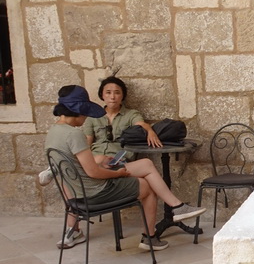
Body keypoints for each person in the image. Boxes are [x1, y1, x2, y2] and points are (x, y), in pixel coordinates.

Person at [44, 85, 206, 251]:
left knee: (146, 165)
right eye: (85, 112)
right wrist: (118, 174)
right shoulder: (74, 134)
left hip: (78, 192)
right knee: (148, 187)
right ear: (77, 110)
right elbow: (93, 172)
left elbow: (83, 166)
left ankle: (176, 207)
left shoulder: (53, 132)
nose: (85, 117)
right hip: (95, 191)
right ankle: (151, 236)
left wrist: (102, 163)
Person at [83, 75, 163, 163]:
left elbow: (141, 124)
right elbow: (87, 143)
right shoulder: (93, 117)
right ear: (102, 95)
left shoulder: (131, 114)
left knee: (145, 165)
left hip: (120, 159)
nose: (112, 97)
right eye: (108, 92)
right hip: (97, 159)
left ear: (122, 95)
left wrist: (150, 131)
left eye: (117, 93)